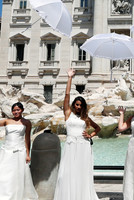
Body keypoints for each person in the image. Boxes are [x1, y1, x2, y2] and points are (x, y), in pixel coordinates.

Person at [54, 68, 101, 200]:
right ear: (74, 105)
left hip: (83, 146)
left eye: (81, 105)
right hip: (70, 145)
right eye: (77, 104)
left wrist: (90, 135)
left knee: (81, 173)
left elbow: (98, 128)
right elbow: (67, 95)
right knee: (66, 173)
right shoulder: (68, 114)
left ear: (83, 106)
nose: (78, 107)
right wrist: (70, 78)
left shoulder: (85, 118)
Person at [0, 101, 38, 200]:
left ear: (22, 110)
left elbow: (27, 139)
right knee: (3, 173)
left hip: (20, 151)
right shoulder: (7, 121)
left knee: (17, 174)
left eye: (18, 110)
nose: (15, 112)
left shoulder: (27, 122)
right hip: (6, 150)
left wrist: (28, 154)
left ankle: (16, 195)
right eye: (14, 110)